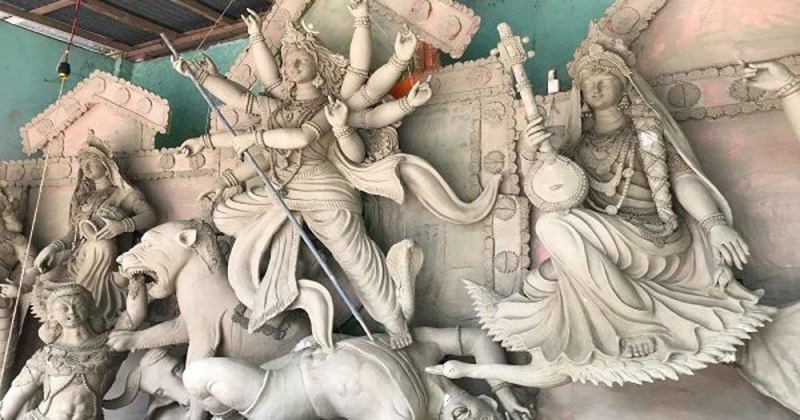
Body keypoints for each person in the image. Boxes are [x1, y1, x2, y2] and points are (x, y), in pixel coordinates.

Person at [449, 25, 774, 387]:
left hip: (655, 238)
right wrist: (529, 150)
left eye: (604, 77)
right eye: (588, 82)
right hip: (606, 242)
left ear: (625, 84)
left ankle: (638, 324)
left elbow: (684, 180)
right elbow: (547, 194)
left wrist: (715, 224)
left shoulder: (646, 134)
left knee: (552, 230)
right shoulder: (578, 147)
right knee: (542, 275)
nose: (595, 86)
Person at [172, 5, 500, 349]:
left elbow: (306, 134)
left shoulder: (331, 106)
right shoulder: (276, 108)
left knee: (355, 257)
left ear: (319, 66)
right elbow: (248, 118)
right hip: (283, 190)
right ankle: (295, 267)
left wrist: (400, 79)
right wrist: (200, 80)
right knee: (225, 216)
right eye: (287, 60)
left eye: (300, 58)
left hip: (324, 189)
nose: (291, 64)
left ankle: (393, 321)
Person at [182, 327, 532, 420]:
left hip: (286, 392)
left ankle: (214, 413)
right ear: (484, 401)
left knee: (199, 374)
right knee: (211, 396)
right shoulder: (427, 351)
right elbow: (477, 338)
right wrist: (506, 393)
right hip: (299, 357)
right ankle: (219, 412)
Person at [33, 133, 157, 323]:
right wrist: (53, 247)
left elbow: (150, 216)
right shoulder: (82, 198)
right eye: (82, 163)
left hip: (110, 254)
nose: (86, 167)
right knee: (41, 271)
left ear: (106, 166)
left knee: (101, 245)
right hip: (78, 256)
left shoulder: (125, 194)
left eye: (91, 161)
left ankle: (88, 310)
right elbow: (75, 233)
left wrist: (122, 226)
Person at [0, 281, 145, 419]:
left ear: (90, 308)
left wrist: (137, 276)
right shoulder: (47, 355)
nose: (72, 311)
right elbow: (18, 393)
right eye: (63, 308)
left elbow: (133, 317)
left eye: (78, 305)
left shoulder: (109, 346)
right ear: (52, 316)